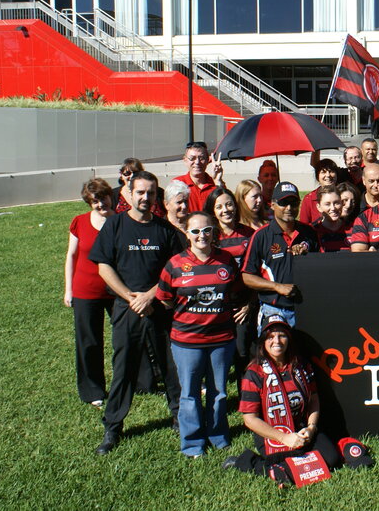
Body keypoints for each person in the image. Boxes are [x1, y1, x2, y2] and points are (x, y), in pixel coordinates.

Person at [88, 170, 184, 455]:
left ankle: (180, 417)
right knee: (124, 368)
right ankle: (113, 426)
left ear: (156, 196)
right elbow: (104, 266)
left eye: (150, 193)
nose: (145, 197)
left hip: (159, 307)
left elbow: (175, 270)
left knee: (171, 367)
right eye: (140, 192)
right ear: (129, 193)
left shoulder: (165, 230)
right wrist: (130, 297)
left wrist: (150, 295)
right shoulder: (115, 225)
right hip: (126, 308)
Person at [156, 211, 244, 458]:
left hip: (221, 339)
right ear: (187, 234)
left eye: (206, 230)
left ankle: (218, 436)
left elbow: (235, 291)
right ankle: (193, 443)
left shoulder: (226, 260)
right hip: (187, 341)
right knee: (190, 394)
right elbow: (165, 298)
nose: (201, 235)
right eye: (195, 231)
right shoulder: (175, 264)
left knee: (219, 392)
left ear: (214, 231)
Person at [222, 315, 342, 484]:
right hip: (273, 432)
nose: (276, 341)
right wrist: (284, 438)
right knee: (288, 466)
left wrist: (311, 427)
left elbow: (314, 399)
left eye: (282, 335)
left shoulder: (302, 366)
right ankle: (248, 462)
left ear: (289, 339)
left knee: (332, 458)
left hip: (301, 427)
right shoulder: (254, 373)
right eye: (270, 337)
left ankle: (288, 466)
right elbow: (249, 420)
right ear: (263, 342)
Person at [64, 178, 116, 408]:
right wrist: (69, 289)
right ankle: (92, 389)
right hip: (86, 290)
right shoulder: (80, 222)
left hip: (116, 289)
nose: (101, 204)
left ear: (110, 196)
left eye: (103, 198)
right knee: (89, 341)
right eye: (95, 201)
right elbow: (71, 255)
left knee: (126, 338)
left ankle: (137, 381)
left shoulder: (121, 221)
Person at [241, 182, 318, 329]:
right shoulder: (260, 236)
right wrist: (277, 287)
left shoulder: (309, 233)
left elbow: (320, 268)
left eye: (293, 203)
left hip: (306, 308)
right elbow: (247, 276)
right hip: (274, 310)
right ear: (272, 205)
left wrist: (307, 255)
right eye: (283, 203)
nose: (289, 208)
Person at [207, 187, 258, 389]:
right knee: (217, 355)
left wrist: (249, 304)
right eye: (219, 207)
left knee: (243, 352)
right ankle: (217, 396)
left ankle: (246, 396)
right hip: (217, 307)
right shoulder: (208, 237)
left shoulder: (250, 235)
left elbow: (258, 273)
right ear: (212, 211)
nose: (225, 210)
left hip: (243, 305)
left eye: (229, 204)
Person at [174, 141, 225, 212]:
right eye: (192, 158)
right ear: (185, 160)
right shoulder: (177, 184)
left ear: (208, 160)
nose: (197, 162)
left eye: (201, 158)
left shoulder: (215, 184)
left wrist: (218, 181)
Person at [299, 157, 339, 225]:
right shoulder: (309, 199)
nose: (328, 175)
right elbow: (303, 225)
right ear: (317, 176)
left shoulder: (343, 195)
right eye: (323, 172)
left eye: (331, 171)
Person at [312, 186, 352, 252]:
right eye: (327, 204)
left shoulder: (353, 228)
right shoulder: (312, 231)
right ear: (319, 207)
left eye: (336, 203)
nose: (333, 208)